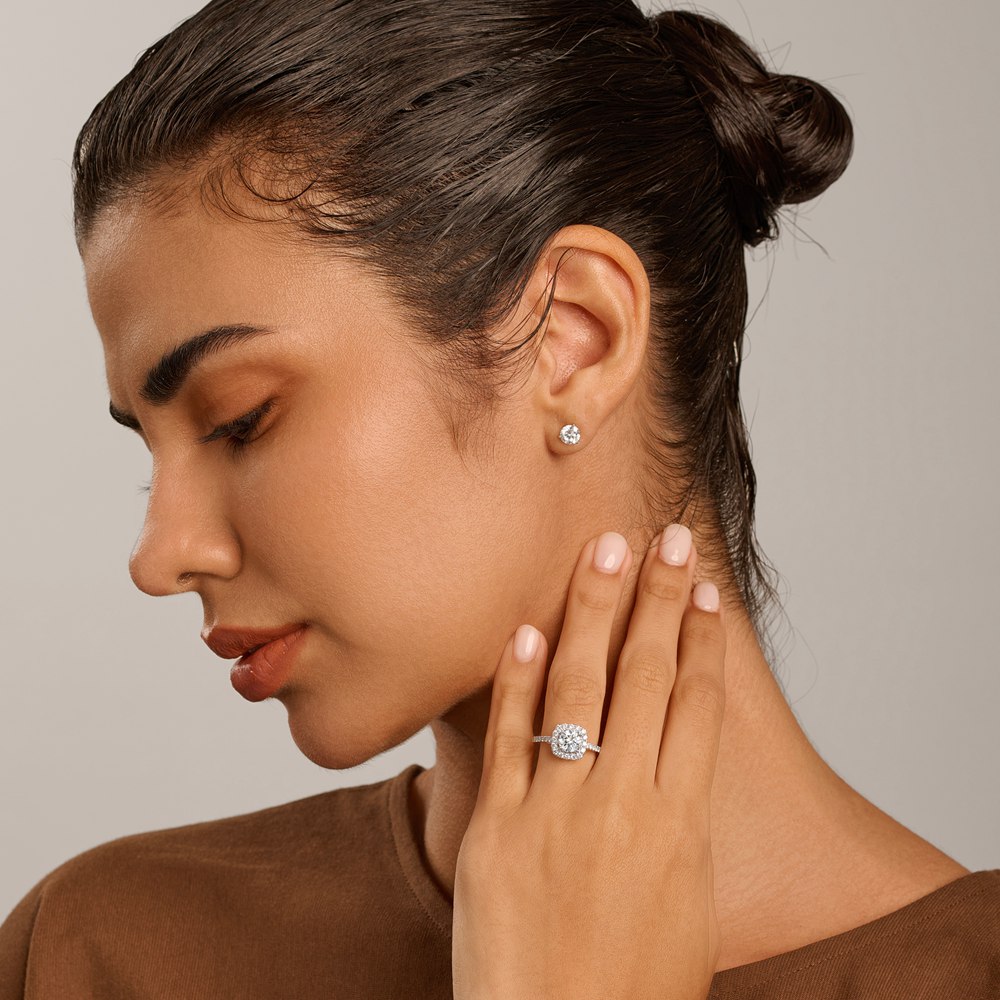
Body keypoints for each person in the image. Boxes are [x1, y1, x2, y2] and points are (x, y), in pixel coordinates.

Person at [2, 0, 997, 996]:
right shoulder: (94, 953)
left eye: (238, 420)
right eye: (151, 452)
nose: (159, 556)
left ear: (574, 337)